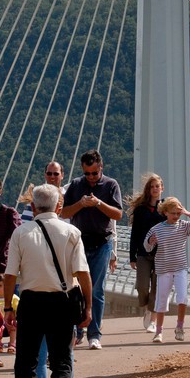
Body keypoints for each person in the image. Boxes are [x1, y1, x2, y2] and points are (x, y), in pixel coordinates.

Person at [4, 183, 92, 378]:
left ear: (32, 206)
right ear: (60, 206)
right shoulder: (72, 232)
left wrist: (9, 306)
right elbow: (83, 273)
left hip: (31, 302)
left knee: (26, 364)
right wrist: (88, 307)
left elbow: (10, 275)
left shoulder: (21, 233)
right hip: (62, 303)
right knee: (62, 361)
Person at [62, 149, 122, 349]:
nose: (90, 177)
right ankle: (77, 331)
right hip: (78, 242)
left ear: (101, 168)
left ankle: (94, 334)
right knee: (76, 289)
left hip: (102, 242)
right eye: (87, 173)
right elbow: (64, 212)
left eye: (94, 173)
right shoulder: (76, 185)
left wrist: (98, 203)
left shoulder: (111, 185)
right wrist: (80, 203)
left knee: (96, 290)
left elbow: (118, 214)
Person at [143, 197, 190, 342]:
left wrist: (188, 214)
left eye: (178, 213)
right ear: (165, 212)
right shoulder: (157, 229)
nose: (176, 216)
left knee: (183, 298)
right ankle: (159, 332)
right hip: (163, 269)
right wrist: (150, 242)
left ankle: (180, 327)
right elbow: (146, 247)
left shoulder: (184, 225)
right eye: (173, 213)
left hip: (180, 267)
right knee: (161, 301)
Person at [129, 173, 164, 331]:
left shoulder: (166, 208)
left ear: (162, 188)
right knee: (142, 287)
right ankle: (146, 308)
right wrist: (132, 256)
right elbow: (135, 233)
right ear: (148, 190)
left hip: (161, 253)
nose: (155, 189)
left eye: (157, 186)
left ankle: (152, 317)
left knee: (157, 288)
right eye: (152, 186)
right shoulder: (141, 210)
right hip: (143, 253)